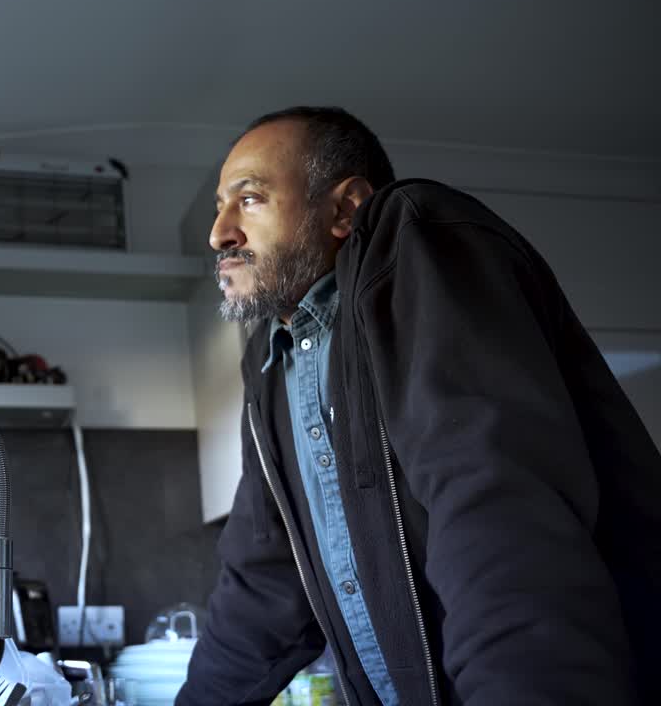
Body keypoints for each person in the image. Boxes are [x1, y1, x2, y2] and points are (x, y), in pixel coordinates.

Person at [177, 106, 661, 705]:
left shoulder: (415, 240)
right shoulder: (271, 361)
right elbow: (262, 586)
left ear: (346, 209)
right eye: (219, 206)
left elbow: (497, 516)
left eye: (249, 199)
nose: (219, 233)